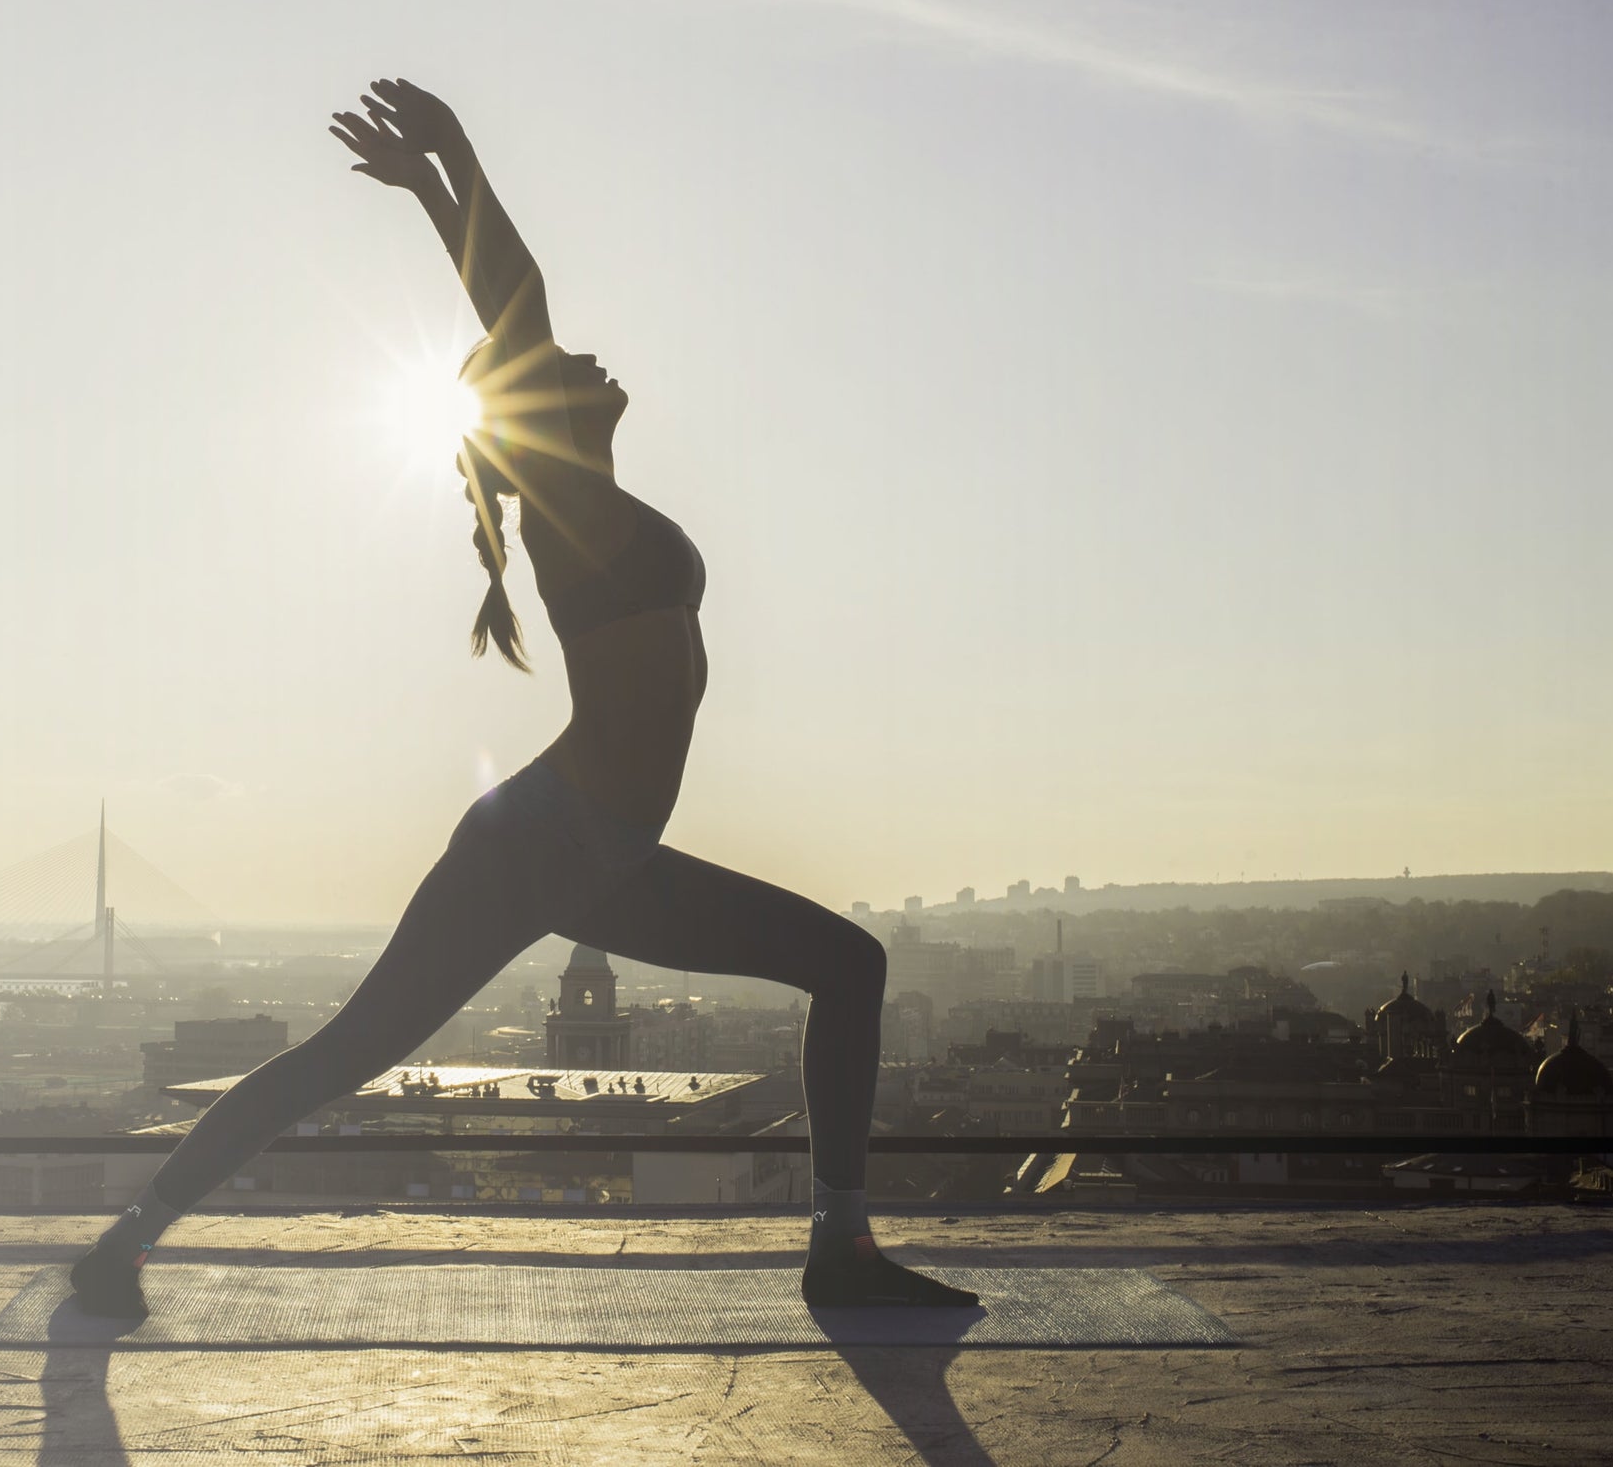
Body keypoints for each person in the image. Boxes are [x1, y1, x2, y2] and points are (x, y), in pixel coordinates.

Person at [68, 79, 976, 1317]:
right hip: (550, 841)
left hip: (599, 851)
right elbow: (518, 303)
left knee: (846, 969)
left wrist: (435, 188)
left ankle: (838, 1247)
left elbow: (521, 324)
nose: (590, 359)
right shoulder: (570, 507)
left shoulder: (589, 499)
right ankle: (127, 1240)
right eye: (558, 368)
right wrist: (453, 160)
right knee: (351, 1052)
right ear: (537, 414)